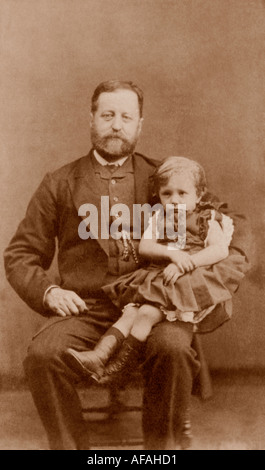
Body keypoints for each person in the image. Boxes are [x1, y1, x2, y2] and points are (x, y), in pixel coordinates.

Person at [3, 80, 250, 450]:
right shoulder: (59, 183)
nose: (116, 125)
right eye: (107, 115)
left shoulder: (165, 178)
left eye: (126, 117)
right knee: (42, 356)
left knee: (173, 349)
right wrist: (49, 291)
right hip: (88, 307)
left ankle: (160, 453)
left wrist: (196, 277)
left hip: (158, 306)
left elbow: (231, 224)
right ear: (92, 120)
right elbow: (20, 254)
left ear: (139, 125)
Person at [66, 156, 249, 389]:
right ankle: (98, 356)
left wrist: (187, 262)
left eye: (182, 193)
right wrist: (171, 254)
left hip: (187, 281)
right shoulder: (159, 217)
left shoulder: (206, 219)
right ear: (159, 195)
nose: (174, 200)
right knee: (129, 314)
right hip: (160, 275)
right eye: (167, 194)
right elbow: (145, 247)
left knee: (145, 314)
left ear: (199, 195)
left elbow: (219, 250)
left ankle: (120, 368)